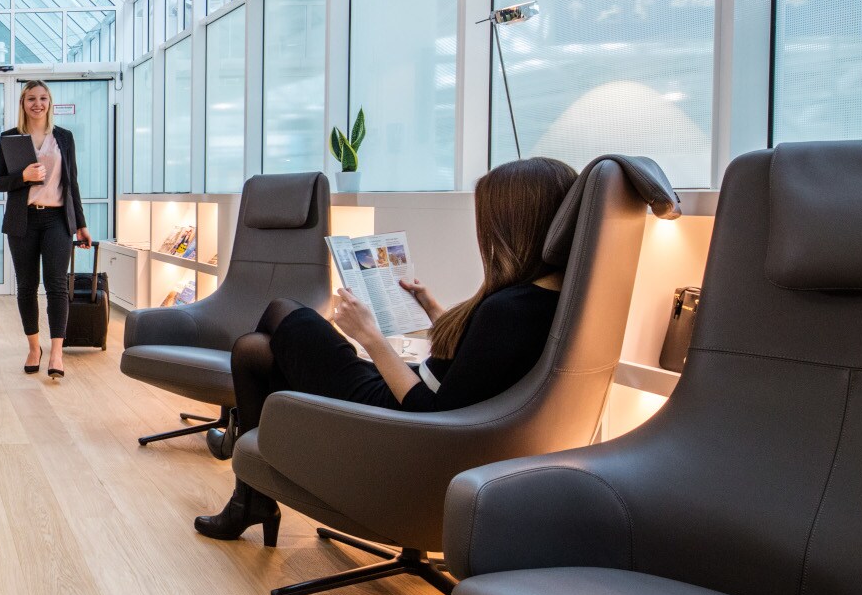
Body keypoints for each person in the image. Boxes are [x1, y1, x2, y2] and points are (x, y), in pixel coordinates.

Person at [195, 157, 579, 543]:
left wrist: (369, 336)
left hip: (397, 419)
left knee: (284, 313)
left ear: (515, 223)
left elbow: (429, 413)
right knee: (253, 351)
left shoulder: (508, 309)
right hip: (414, 400)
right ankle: (248, 493)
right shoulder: (545, 300)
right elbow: (479, 364)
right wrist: (434, 311)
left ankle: (238, 451)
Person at [0, 81, 91, 381]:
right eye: (31, 98)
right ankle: (34, 348)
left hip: (57, 221)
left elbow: (71, 184)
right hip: (23, 221)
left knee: (57, 285)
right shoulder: (10, 138)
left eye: (43, 98)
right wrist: (22, 176)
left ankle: (56, 352)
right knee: (26, 286)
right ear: (23, 103)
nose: (38, 103)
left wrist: (81, 225)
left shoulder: (64, 138)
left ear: (50, 102)